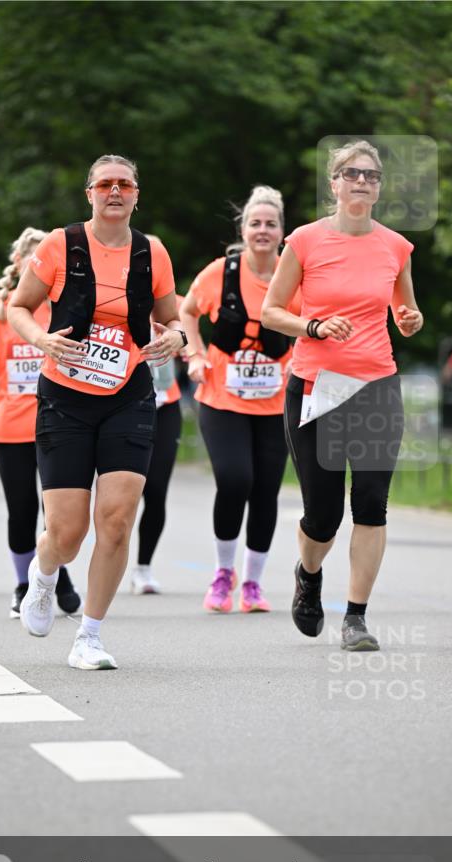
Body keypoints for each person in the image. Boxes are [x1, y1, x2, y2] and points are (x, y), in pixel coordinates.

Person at [8, 154, 185, 670]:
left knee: (116, 520)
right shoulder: (60, 244)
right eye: (105, 184)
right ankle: (42, 579)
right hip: (65, 397)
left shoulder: (152, 252)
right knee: (67, 532)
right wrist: (40, 338)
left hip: (128, 395)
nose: (114, 191)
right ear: (90, 193)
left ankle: (90, 634)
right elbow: (19, 307)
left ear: (136, 194)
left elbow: (172, 320)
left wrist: (174, 338)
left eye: (124, 184)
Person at [261, 139, 423, 651]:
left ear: (378, 188)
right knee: (323, 514)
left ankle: (355, 617)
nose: (361, 181)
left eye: (371, 175)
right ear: (334, 184)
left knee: (372, 503)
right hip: (315, 388)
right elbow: (271, 311)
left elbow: (405, 311)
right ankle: (309, 575)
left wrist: (410, 319)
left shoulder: (396, 247)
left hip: (376, 385)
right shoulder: (305, 241)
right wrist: (311, 325)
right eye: (351, 173)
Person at [180, 186, 297, 614]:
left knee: (266, 490)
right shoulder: (220, 273)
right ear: (243, 229)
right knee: (234, 480)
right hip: (221, 397)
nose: (262, 230)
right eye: (255, 223)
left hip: (275, 402)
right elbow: (188, 312)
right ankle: (223, 573)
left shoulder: (294, 274)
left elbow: (309, 325)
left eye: (270, 224)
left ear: (282, 231)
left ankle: (252, 583)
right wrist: (193, 354)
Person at [0, 228, 81, 619]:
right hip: (9, 426)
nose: (41, 265)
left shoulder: (66, 308)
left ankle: (56, 575)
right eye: (32, 258)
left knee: (59, 513)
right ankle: (22, 583)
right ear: (19, 264)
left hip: (59, 423)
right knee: (21, 509)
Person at [129, 240, 183, 596]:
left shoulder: (169, 306)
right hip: (125, 407)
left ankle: (144, 568)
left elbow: (186, 330)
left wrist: (184, 344)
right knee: (117, 495)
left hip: (165, 405)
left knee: (157, 491)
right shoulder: (112, 304)